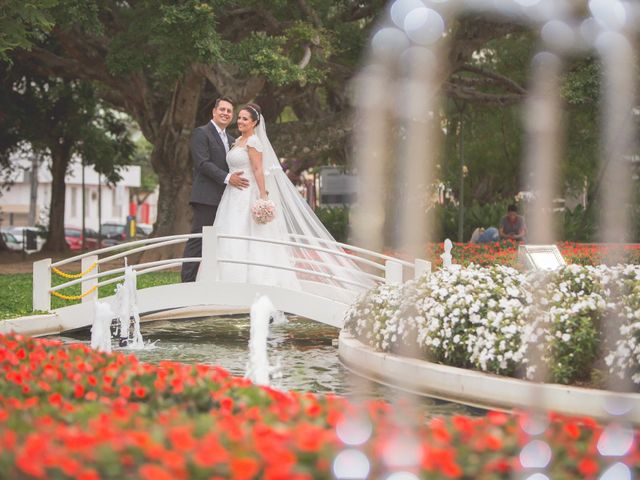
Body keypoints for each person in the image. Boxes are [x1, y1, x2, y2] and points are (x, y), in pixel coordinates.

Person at [198, 103, 373, 296]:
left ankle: (253, 285)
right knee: (230, 234)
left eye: (245, 118)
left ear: (255, 122)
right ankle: (222, 284)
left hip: (247, 193)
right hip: (231, 196)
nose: (239, 121)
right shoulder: (237, 140)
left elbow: (257, 170)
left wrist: (263, 196)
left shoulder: (254, 142)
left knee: (250, 237)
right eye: (239, 117)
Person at [181, 97, 249, 282]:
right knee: (199, 240)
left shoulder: (233, 140)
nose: (226, 113)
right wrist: (228, 178)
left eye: (229, 111)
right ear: (214, 111)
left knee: (221, 243)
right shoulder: (201, 133)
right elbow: (202, 163)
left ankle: (210, 281)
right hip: (207, 197)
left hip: (228, 200)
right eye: (222, 109)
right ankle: (187, 284)